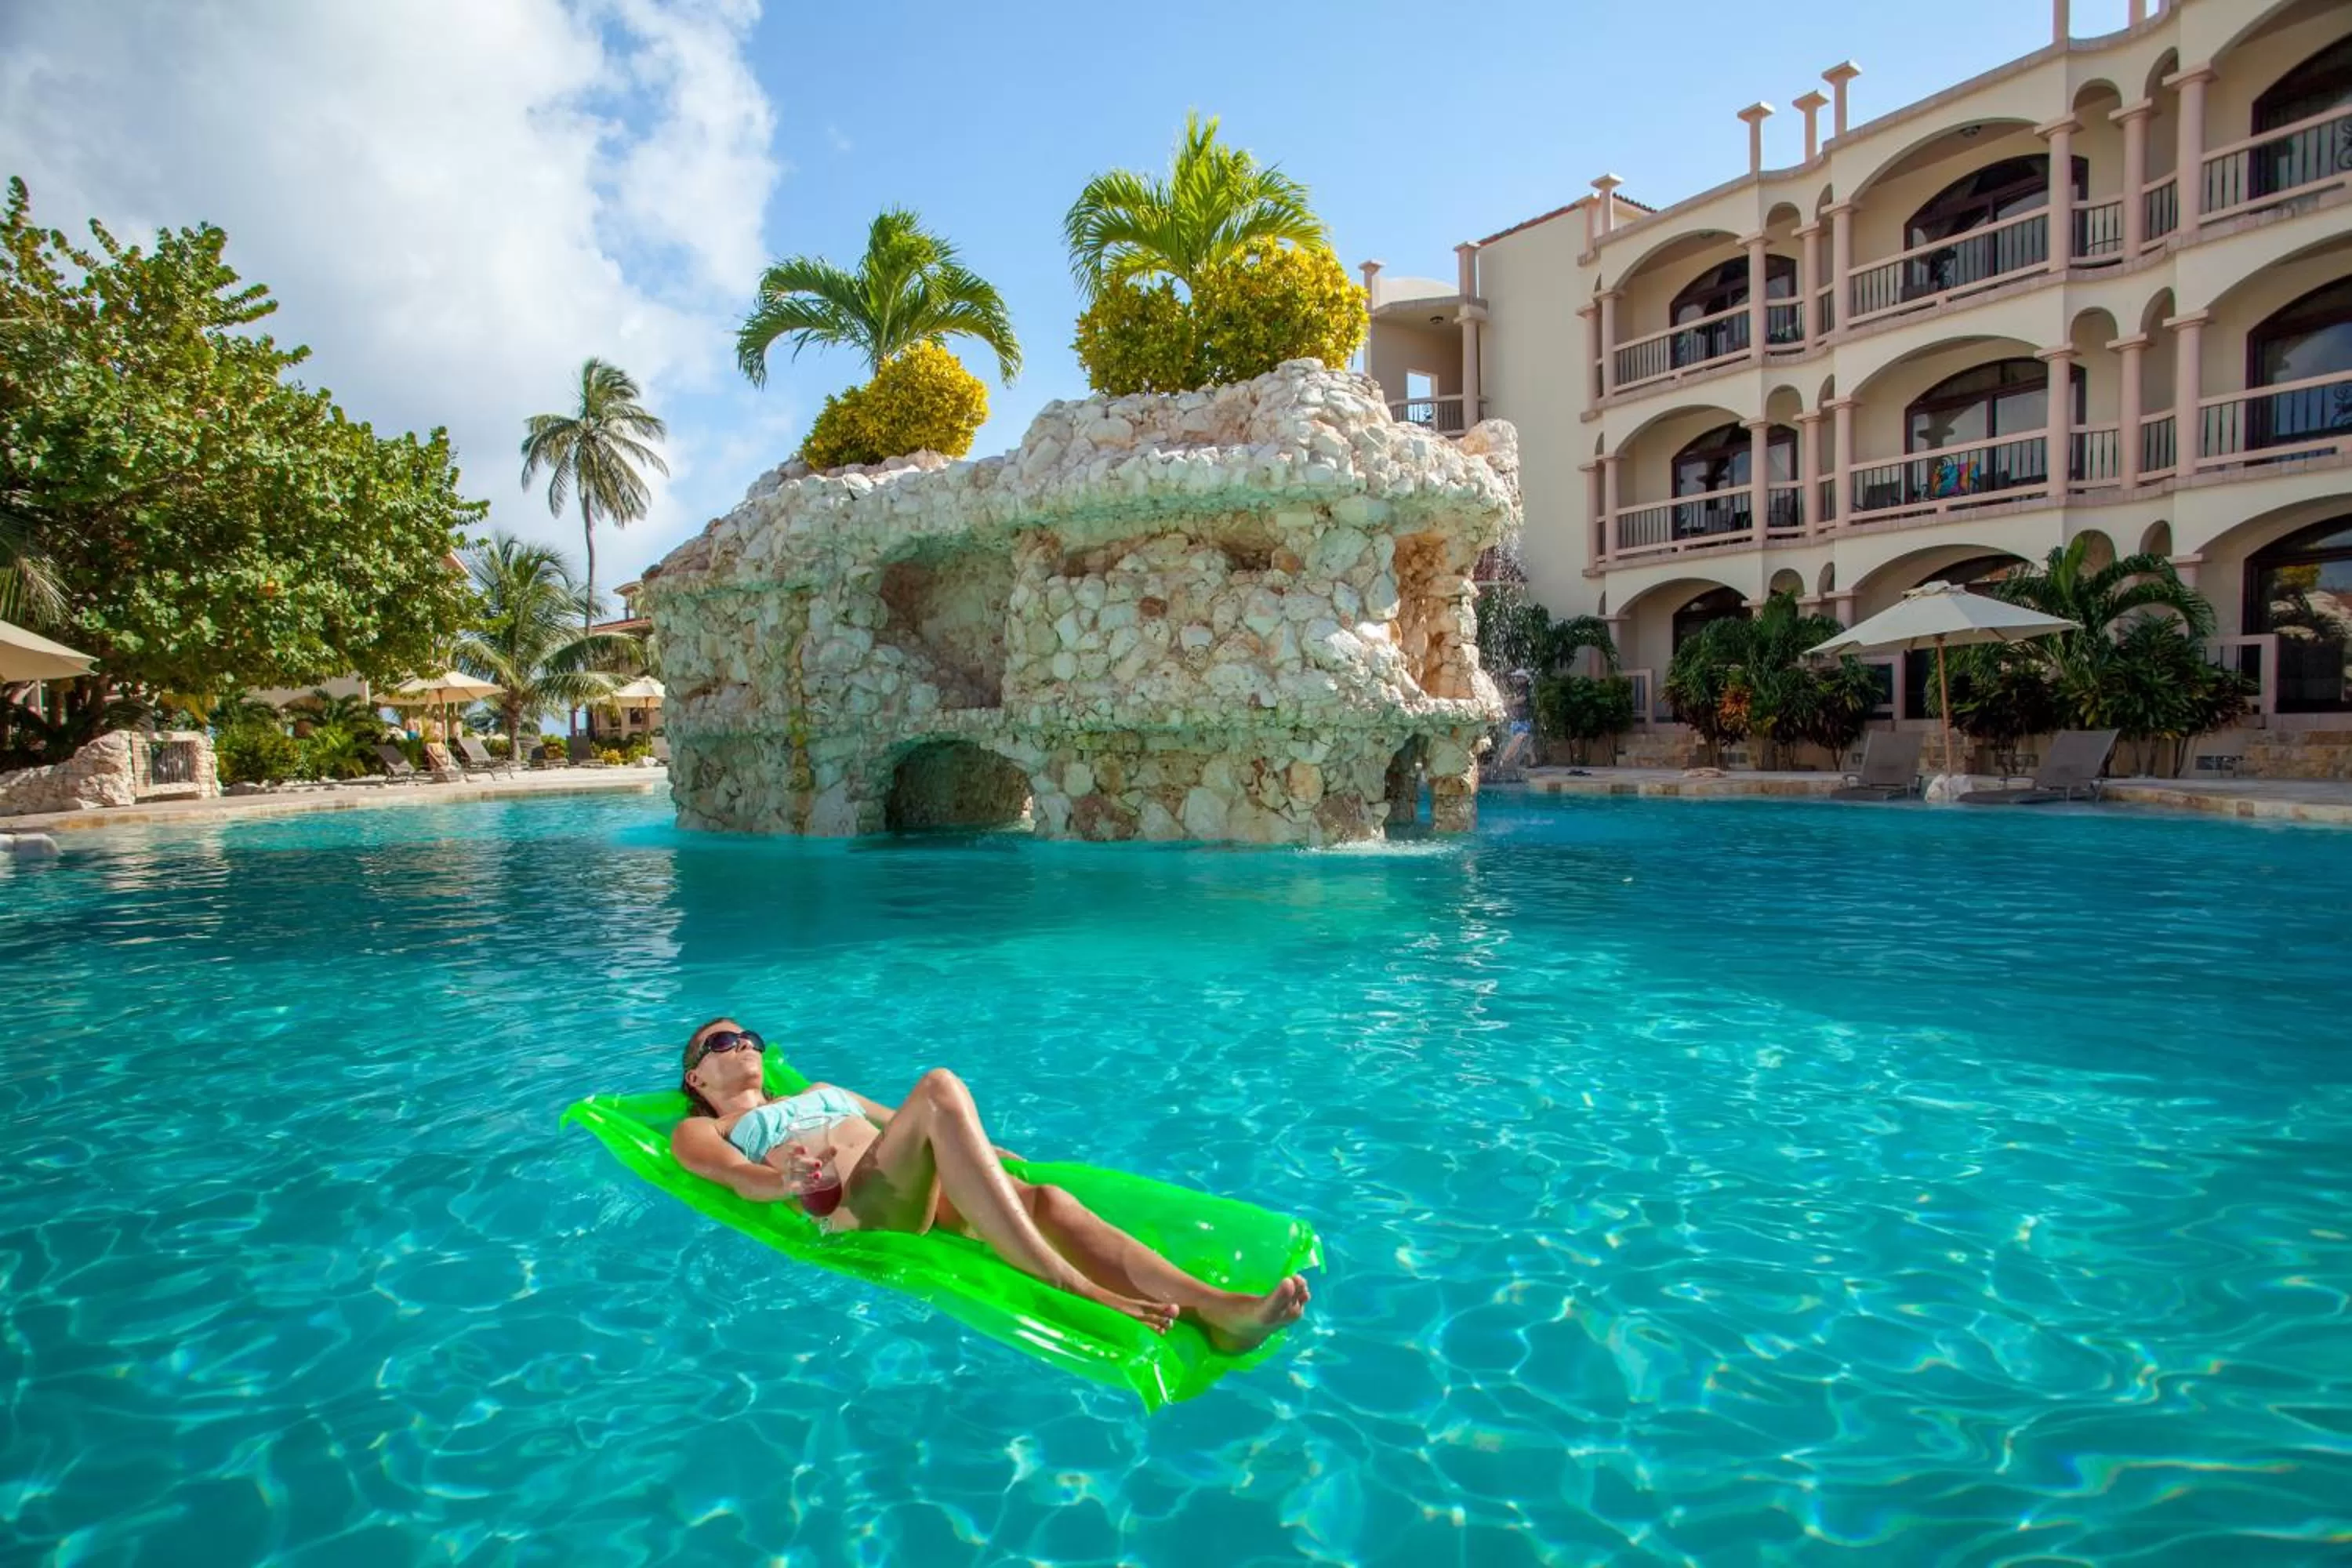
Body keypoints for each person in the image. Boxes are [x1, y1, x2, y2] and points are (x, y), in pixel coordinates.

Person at [669, 1018, 1311, 1347]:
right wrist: (782, 1179)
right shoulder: (706, 1130)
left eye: (749, 1036)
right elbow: (737, 1181)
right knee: (941, 1084)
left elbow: (905, 1128)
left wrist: (989, 1155)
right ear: (697, 1079)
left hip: (909, 1188)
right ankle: (1072, 1286)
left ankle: (1220, 1310)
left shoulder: (820, 1090)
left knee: (1048, 1201)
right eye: (722, 1041)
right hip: (851, 1212)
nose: (743, 1045)